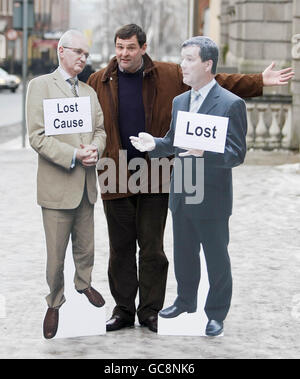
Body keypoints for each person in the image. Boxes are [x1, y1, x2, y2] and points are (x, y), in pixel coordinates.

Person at [87, 24, 294, 333]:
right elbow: (88, 121)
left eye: (130, 47)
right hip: (114, 172)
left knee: (153, 248)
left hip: (156, 174)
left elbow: (215, 82)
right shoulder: (98, 80)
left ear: (143, 48)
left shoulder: (170, 75)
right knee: (120, 249)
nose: (124, 53)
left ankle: (150, 311)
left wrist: (257, 81)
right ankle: (124, 310)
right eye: (119, 47)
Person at [26, 30, 107, 339]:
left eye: (86, 54)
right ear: (61, 51)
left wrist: (96, 149)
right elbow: (37, 136)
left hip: (86, 185)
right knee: (56, 255)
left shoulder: (89, 92)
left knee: (86, 247)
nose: (83, 59)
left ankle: (84, 283)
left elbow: (100, 129)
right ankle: (55, 300)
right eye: (78, 53)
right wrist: (74, 154)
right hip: (57, 186)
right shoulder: (41, 86)